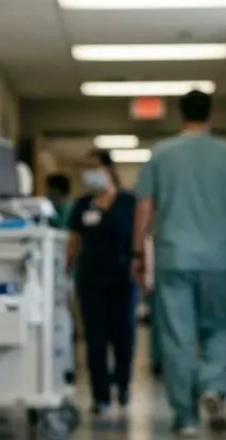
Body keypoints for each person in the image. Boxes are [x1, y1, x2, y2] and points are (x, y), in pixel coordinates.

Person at [132, 90, 226, 437]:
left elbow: (144, 208)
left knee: (178, 336)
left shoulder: (161, 155)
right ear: (211, 115)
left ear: (180, 115)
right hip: (217, 257)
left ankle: (186, 418)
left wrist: (138, 253)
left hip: (173, 256)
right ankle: (213, 385)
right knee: (219, 327)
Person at [66, 150, 139, 418]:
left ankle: (122, 384)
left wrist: (144, 267)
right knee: (95, 339)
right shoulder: (82, 205)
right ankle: (101, 396)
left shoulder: (129, 202)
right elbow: (74, 241)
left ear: (109, 169)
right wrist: (66, 272)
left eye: (94, 167)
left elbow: (140, 237)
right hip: (91, 279)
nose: (90, 174)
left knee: (123, 336)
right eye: (86, 169)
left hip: (123, 278)